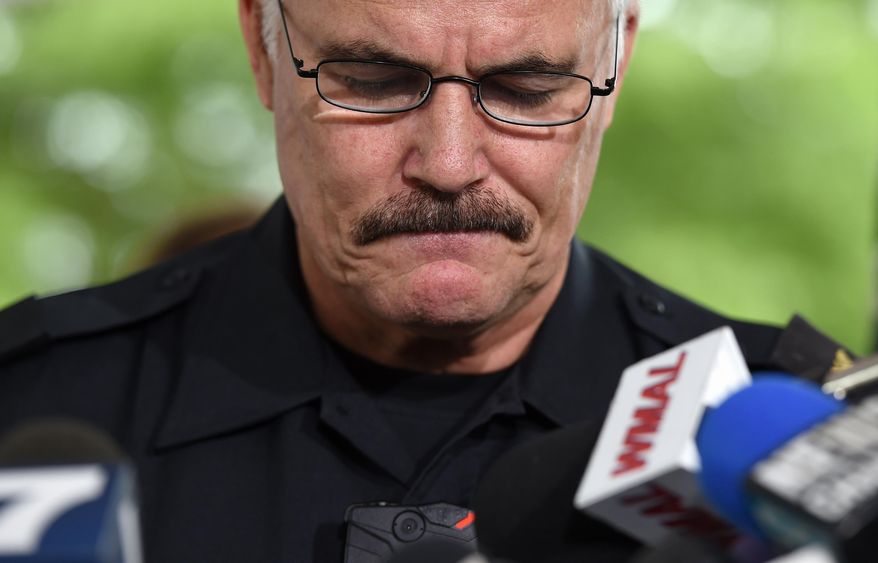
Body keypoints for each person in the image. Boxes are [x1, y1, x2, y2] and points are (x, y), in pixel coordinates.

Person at [0, 0, 852, 561]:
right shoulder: (31, 402)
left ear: (616, 61)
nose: (448, 165)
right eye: (374, 82)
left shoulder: (801, 433)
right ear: (263, 47)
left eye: (527, 87)